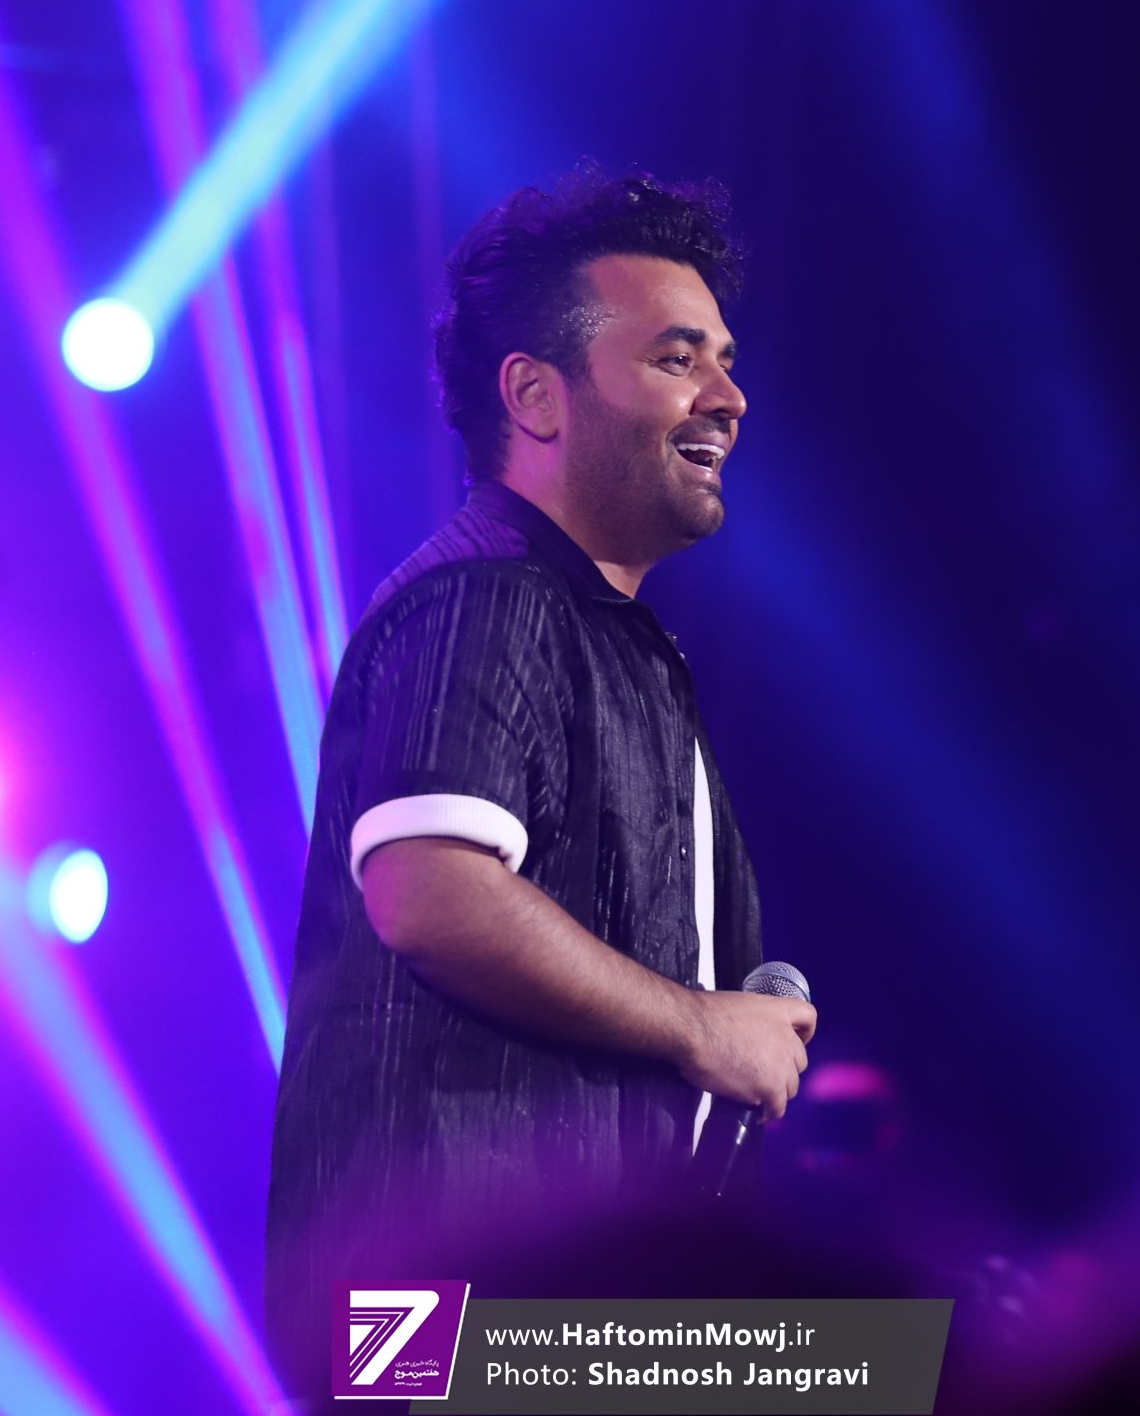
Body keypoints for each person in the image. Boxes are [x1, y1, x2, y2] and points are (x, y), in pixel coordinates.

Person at [263, 166, 817, 1401]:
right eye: (676, 358)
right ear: (535, 395)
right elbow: (430, 892)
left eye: (725, 361)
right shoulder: (488, 597)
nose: (727, 397)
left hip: (565, 1325)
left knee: (891, 1364)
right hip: (436, 1330)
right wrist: (701, 1027)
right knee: (899, 1373)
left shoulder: (615, 646)